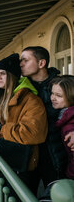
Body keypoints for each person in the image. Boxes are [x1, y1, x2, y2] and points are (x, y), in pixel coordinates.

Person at [0, 53, 47, 194]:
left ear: (13, 75)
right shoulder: (1, 98)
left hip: (20, 167)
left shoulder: (31, 100)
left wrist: (2, 129)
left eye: (2, 73)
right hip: (0, 160)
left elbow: (34, 133)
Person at [20, 46, 68, 188]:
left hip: (55, 155)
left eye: (26, 60)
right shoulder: (21, 89)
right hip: (27, 156)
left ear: (42, 63)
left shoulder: (62, 85)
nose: (21, 64)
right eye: (20, 61)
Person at [50, 75, 74, 179]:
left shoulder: (69, 127)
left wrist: (69, 175)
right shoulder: (65, 116)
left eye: (59, 95)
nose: (52, 98)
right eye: (52, 93)